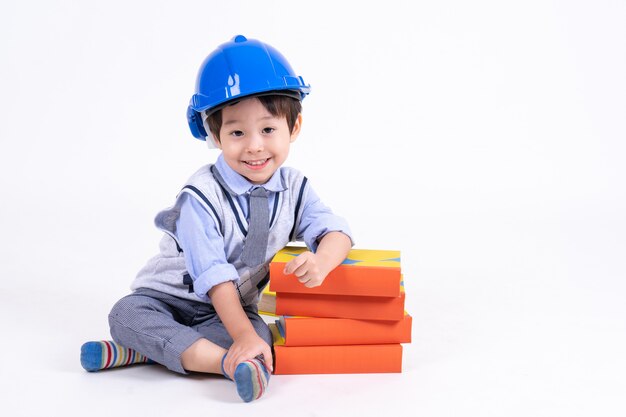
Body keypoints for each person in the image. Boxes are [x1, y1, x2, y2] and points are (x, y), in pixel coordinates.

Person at [79, 35, 353, 403]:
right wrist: (241, 340)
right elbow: (213, 275)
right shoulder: (200, 196)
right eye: (237, 132)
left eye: (268, 129)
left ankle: (147, 351)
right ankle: (225, 363)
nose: (254, 145)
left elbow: (335, 230)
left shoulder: (295, 187)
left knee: (263, 333)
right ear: (214, 135)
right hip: (167, 299)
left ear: (295, 127)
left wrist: (322, 260)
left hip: (229, 311)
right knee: (126, 315)